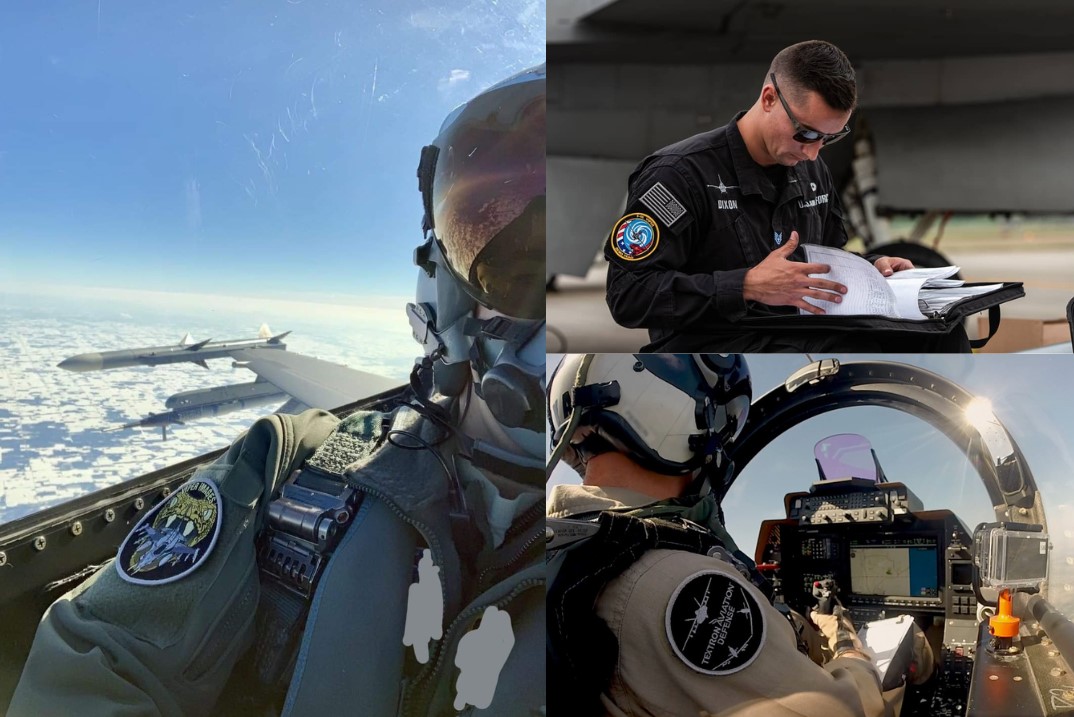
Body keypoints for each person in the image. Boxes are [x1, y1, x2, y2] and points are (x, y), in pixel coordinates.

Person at [9, 65, 547, 717]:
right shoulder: (291, 468)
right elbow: (96, 662)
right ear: (443, 287)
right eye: (523, 262)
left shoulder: (684, 604)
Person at [546, 353, 934, 717]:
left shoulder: (570, 544)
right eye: (723, 417)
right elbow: (845, 710)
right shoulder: (683, 587)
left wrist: (804, 625)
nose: (723, 441)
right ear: (677, 418)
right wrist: (849, 645)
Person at [603, 40, 970, 353]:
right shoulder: (678, 175)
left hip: (798, 333)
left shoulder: (808, 168)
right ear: (768, 99)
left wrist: (872, 269)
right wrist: (745, 286)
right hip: (713, 346)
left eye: (830, 138)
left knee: (941, 332)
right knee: (853, 352)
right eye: (806, 134)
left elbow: (825, 257)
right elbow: (628, 295)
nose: (813, 153)